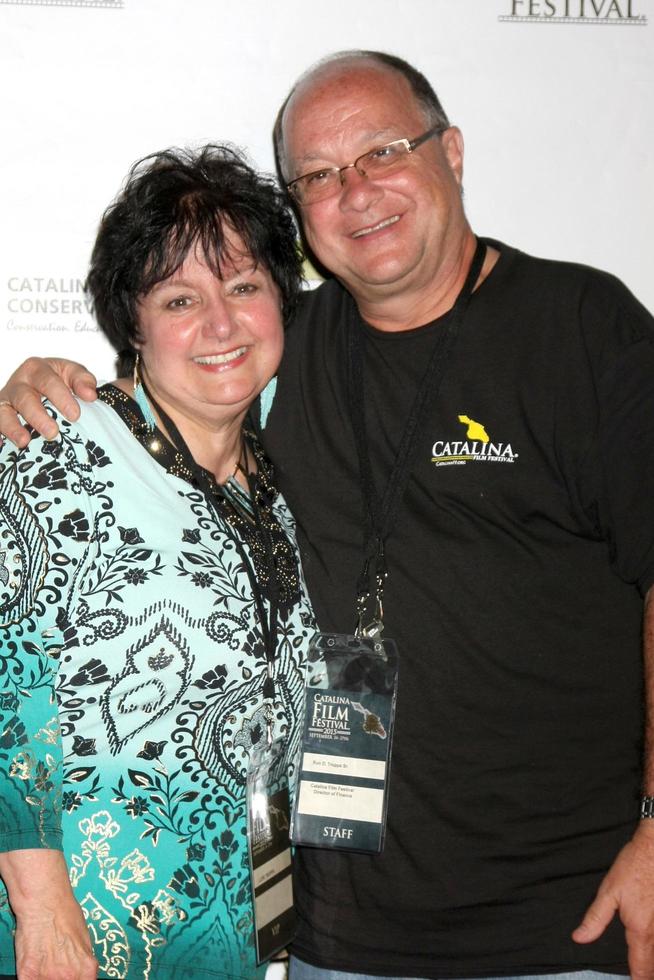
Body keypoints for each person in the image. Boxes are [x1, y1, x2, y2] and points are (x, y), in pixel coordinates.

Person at [2, 49, 654, 980]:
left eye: (384, 151)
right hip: (320, 944)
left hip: (559, 926)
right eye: (318, 174)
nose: (357, 191)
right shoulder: (255, 374)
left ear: (453, 153)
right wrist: (39, 391)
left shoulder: (582, 327)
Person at [0, 144, 315, 980]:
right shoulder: (53, 452)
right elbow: (6, 689)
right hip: (74, 931)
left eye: (245, 286)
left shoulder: (279, 471)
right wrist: (41, 912)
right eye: (181, 298)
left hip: (223, 934)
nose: (222, 324)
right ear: (131, 324)